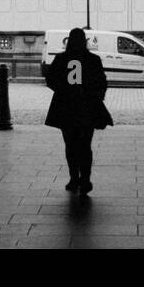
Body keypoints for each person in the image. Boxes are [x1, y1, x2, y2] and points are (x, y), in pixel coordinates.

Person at [44, 28, 113, 195]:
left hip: (66, 106)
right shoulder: (93, 59)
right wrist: (95, 97)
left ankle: (73, 177)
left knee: (70, 144)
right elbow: (101, 82)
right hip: (87, 107)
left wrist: (63, 91)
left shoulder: (61, 59)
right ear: (85, 41)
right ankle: (86, 178)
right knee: (85, 145)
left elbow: (51, 79)